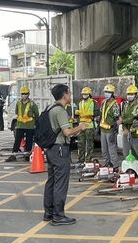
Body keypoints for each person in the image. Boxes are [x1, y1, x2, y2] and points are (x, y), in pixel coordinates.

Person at [43, 84, 89, 226]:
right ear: (64, 95)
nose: (70, 95)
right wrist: (80, 127)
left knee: (51, 181)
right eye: (69, 93)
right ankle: (58, 215)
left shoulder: (49, 108)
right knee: (61, 183)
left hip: (51, 149)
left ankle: (48, 212)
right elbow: (67, 132)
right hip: (60, 150)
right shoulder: (60, 111)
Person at [6, 86, 39, 162]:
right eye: (23, 93)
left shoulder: (32, 104)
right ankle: (13, 155)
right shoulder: (18, 103)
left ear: (28, 94)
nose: (24, 95)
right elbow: (17, 112)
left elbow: (37, 114)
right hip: (20, 125)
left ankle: (27, 155)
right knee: (17, 141)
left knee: (29, 141)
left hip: (30, 126)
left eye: (26, 93)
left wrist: (34, 122)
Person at [74, 86, 99, 165]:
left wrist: (88, 114)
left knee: (89, 144)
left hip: (89, 125)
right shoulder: (80, 103)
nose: (84, 95)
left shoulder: (93, 102)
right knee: (80, 143)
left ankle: (88, 159)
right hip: (81, 125)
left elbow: (97, 113)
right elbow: (77, 114)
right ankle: (81, 159)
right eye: (83, 94)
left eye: (86, 94)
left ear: (89, 94)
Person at [99, 84, 121, 168]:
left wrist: (114, 130)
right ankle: (107, 163)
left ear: (112, 93)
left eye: (108, 92)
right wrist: (98, 127)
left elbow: (117, 119)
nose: (106, 93)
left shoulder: (115, 105)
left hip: (110, 130)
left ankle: (114, 165)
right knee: (104, 150)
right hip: (103, 129)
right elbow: (101, 115)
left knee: (111, 149)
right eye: (105, 92)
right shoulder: (104, 102)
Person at [121, 84, 138, 159]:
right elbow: (123, 116)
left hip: (135, 133)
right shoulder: (125, 105)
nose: (129, 96)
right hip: (126, 133)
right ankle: (129, 170)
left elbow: (133, 118)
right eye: (128, 94)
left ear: (136, 95)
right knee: (126, 153)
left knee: (137, 153)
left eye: (131, 94)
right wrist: (124, 128)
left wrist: (123, 121)